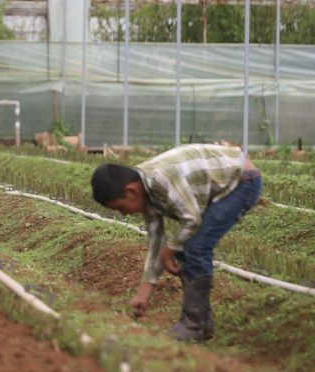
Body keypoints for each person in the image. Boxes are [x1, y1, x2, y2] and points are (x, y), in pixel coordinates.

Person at [90, 144, 262, 341]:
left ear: (132, 191)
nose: (124, 213)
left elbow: (192, 220)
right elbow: (156, 242)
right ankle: (202, 323)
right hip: (222, 183)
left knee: (197, 247)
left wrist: (170, 249)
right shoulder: (146, 192)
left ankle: (193, 324)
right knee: (184, 249)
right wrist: (143, 294)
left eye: (121, 207)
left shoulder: (162, 179)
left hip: (241, 181)